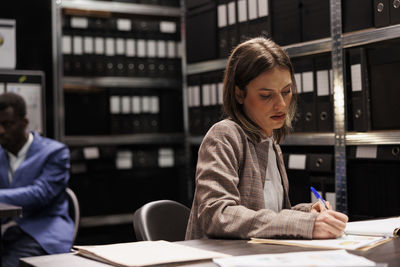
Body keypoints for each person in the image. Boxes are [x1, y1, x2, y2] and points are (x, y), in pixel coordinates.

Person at [185, 37, 348, 240]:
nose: (281, 105)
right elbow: (218, 214)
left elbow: (270, 215)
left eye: (286, 92)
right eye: (266, 95)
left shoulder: (270, 143)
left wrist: (308, 213)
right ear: (239, 94)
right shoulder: (224, 136)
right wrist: (303, 225)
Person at [0, 92, 73, 267]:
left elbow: (40, 193)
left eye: (6, 124)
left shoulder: (55, 152)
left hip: (41, 231)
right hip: (5, 232)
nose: (0, 131)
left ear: (24, 123)